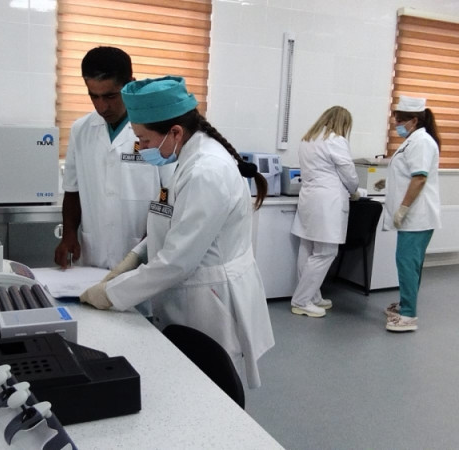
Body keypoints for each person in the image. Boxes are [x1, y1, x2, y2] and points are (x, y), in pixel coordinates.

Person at [79, 76, 275, 388]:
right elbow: (169, 220)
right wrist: (135, 256)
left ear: (175, 132)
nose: (141, 148)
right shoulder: (186, 158)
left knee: (212, 387)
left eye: (144, 140)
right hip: (188, 292)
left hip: (208, 301)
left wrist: (110, 294)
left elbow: (177, 261)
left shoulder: (206, 171)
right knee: (188, 382)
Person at [54, 47, 174, 276]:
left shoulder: (157, 130)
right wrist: (69, 234)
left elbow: (169, 193)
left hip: (142, 251)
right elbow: (72, 190)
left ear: (131, 85)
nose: (102, 107)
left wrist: (150, 240)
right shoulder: (81, 129)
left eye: (110, 96)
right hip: (93, 253)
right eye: (94, 96)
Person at [377, 95, 441, 332]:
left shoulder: (421, 141)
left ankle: (408, 316)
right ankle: (406, 305)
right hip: (414, 217)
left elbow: (420, 177)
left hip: (417, 216)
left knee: (407, 265)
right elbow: (408, 173)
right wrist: (389, 182)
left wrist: (403, 208)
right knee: (409, 265)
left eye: (400, 121)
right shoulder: (413, 140)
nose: (397, 125)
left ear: (414, 120)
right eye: (396, 120)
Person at [289, 106, 359, 318]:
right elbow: (348, 172)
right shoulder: (336, 140)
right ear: (343, 123)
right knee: (326, 252)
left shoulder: (307, 140)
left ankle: (313, 296)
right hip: (327, 201)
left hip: (309, 198)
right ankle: (301, 301)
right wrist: (354, 190)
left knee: (307, 248)